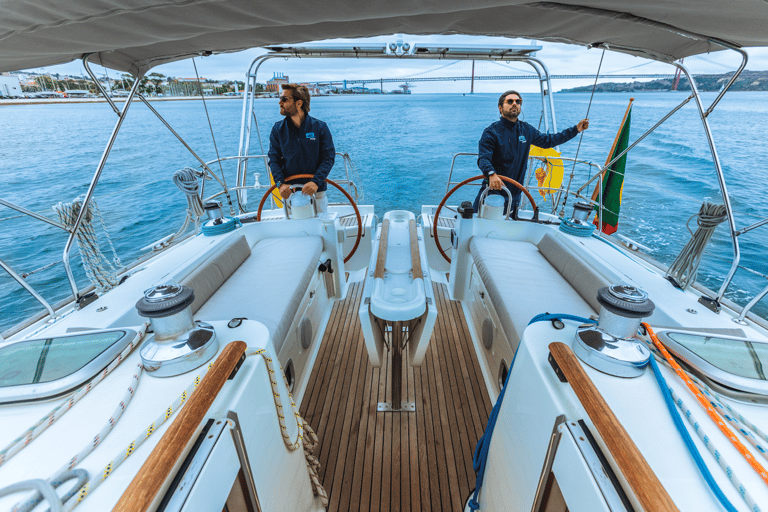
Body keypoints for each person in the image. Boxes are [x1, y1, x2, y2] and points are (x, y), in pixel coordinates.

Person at [474, 90, 589, 216]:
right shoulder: (491, 132)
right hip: (493, 192)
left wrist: (575, 130)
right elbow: (483, 158)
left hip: (515, 194)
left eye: (518, 102)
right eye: (510, 101)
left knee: (508, 229)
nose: (514, 104)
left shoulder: (526, 129)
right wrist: (491, 174)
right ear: (500, 108)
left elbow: (548, 141)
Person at [268, 83, 335, 213]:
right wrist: (280, 184)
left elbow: (328, 158)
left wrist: (315, 182)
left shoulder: (320, 127)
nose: (279, 103)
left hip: (317, 191)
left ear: (299, 104)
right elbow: (273, 159)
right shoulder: (278, 129)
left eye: (284, 99)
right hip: (290, 193)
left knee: (320, 229)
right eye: (280, 98)